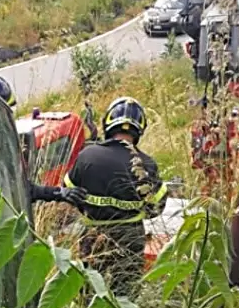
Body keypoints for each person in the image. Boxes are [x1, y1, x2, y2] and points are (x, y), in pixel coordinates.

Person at [64, 96, 167, 297]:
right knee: (126, 298)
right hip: (131, 239)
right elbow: (156, 208)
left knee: (91, 294)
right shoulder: (146, 165)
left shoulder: (87, 156)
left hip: (93, 238)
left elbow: (68, 193)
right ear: (140, 129)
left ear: (108, 124)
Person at [0, 73, 86, 205]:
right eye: (3, 111)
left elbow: (23, 188)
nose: (7, 117)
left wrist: (58, 193)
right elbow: (22, 189)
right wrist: (58, 193)